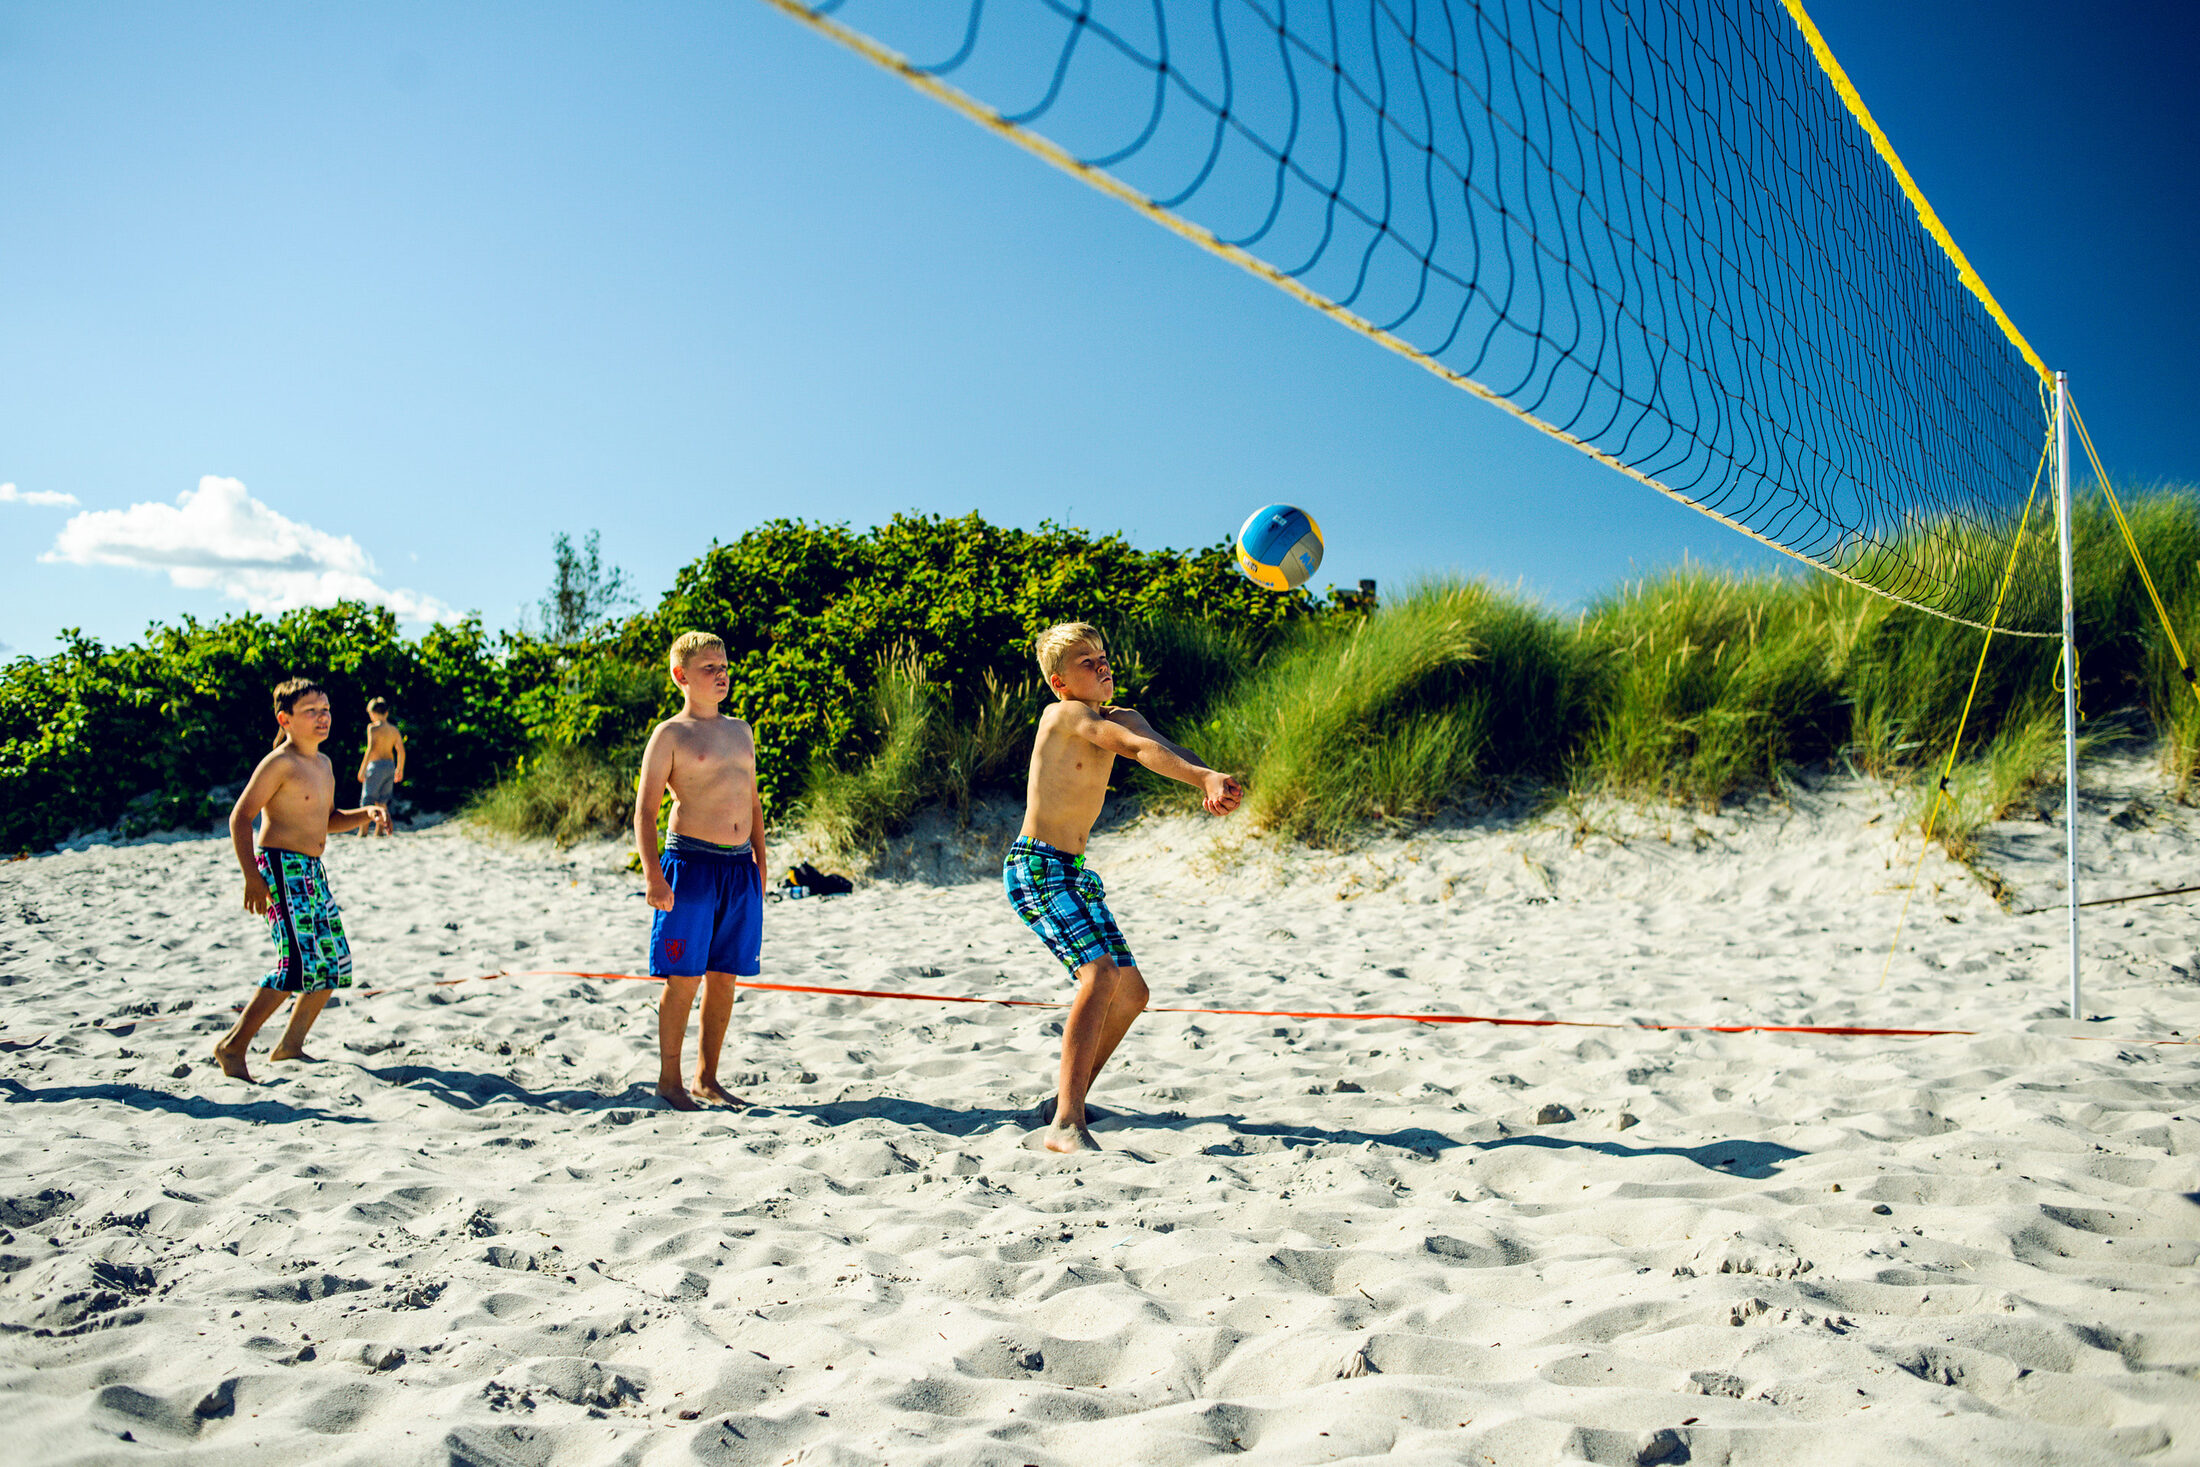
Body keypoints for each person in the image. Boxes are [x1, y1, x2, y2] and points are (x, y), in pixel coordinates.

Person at [1008, 622, 1243, 1153]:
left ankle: (1067, 1098)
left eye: (1103, 655)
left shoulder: (1123, 714)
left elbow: (1157, 745)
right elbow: (1134, 749)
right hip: (1036, 867)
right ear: (1059, 682)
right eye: (1086, 661)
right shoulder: (1064, 715)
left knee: (1132, 992)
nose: (1102, 664)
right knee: (1099, 976)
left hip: (1073, 871)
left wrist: (1209, 775)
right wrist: (1200, 779)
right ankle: (1066, 1124)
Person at [213, 678, 389, 1082]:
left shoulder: (323, 764)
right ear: (285, 719)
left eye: (325, 709)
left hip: (311, 872)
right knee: (294, 966)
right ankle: (232, 1046)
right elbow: (240, 817)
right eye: (311, 711)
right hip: (278, 867)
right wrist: (251, 877)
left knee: (332, 962)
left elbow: (328, 819)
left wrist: (367, 814)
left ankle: (289, 1046)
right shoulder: (280, 762)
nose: (322, 717)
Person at [634, 631, 765, 1111]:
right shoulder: (670, 734)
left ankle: (706, 1079)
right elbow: (644, 812)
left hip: (738, 869)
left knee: (725, 976)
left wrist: (761, 870)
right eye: (709, 667)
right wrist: (653, 876)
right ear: (681, 676)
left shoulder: (741, 729)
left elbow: (752, 803)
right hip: (689, 865)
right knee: (684, 978)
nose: (721, 674)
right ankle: (669, 1081)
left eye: (725, 665)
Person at [356, 697, 405, 834]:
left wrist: (363, 768)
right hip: (390, 765)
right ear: (387, 712)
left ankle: (363, 831)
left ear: (373, 713)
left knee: (367, 800)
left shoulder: (373, 728)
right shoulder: (394, 730)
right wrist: (399, 768)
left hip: (376, 766)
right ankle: (379, 831)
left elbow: (370, 749)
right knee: (383, 800)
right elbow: (400, 750)